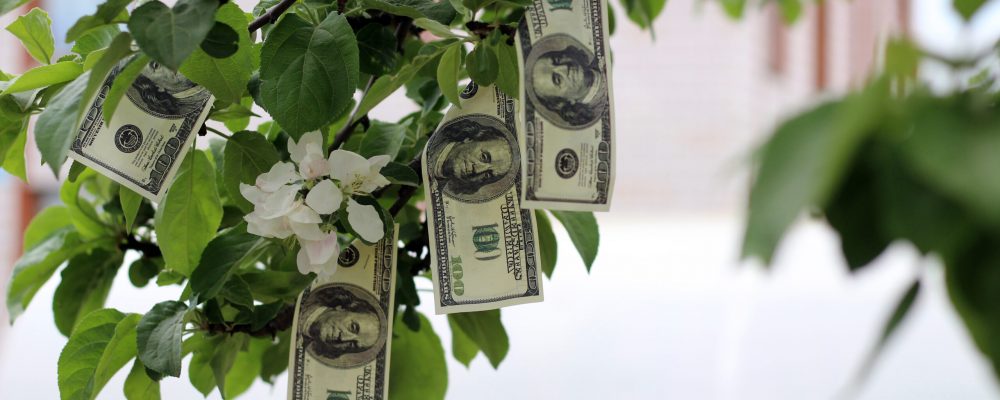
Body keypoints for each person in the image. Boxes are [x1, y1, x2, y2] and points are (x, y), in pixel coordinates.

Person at [526, 36, 607, 128]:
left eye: (557, 60)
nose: (564, 67)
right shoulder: (600, 115)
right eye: (557, 80)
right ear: (564, 102)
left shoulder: (604, 54)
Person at [300, 285, 384, 367]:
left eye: (352, 344)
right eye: (352, 327)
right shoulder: (302, 297)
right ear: (342, 308)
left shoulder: (301, 351)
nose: (343, 338)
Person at [431, 118, 514, 197]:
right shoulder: (431, 139)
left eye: (488, 175)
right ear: (470, 139)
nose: (478, 170)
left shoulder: (436, 192)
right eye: (484, 157)